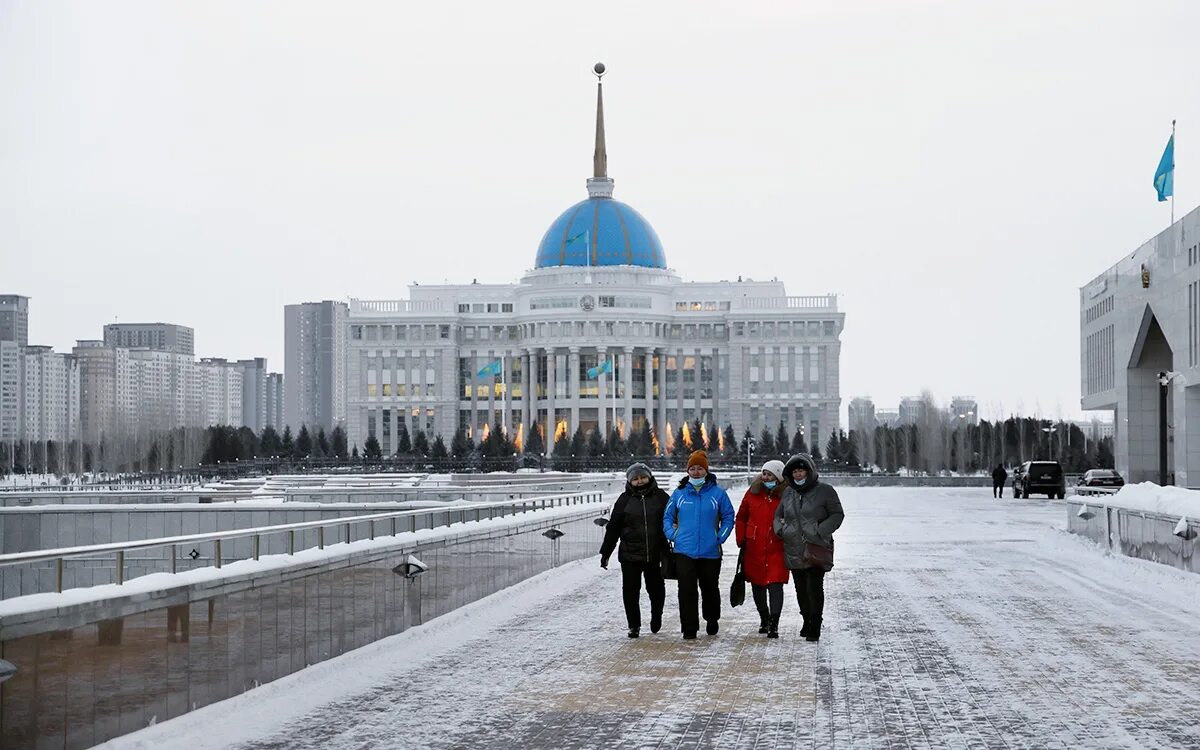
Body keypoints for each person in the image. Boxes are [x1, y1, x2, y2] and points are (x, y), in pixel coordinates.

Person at [663, 450, 735, 640]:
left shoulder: (717, 494)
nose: (696, 472)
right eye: (692, 469)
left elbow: (729, 517)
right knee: (686, 590)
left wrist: (720, 536)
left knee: (710, 588)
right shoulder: (679, 494)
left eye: (700, 468)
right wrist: (673, 534)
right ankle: (689, 627)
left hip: (710, 551)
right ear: (688, 471)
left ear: (706, 470)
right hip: (683, 551)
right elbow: (667, 517)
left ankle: (712, 619)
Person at [773, 453, 844, 642]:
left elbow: (837, 514)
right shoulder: (788, 492)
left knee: (814, 587)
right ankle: (806, 619)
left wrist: (820, 531)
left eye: (801, 470)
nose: (798, 475)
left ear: (809, 471)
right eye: (794, 471)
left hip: (815, 547)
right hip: (793, 547)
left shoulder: (825, 491)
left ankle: (815, 623)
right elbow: (778, 515)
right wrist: (782, 530)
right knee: (801, 589)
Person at [599, 463, 671, 638]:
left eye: (642, 477)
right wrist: (606, 552)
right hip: (630, 554)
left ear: (649, 477)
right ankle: (634, 625)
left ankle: (656, 616)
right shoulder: (624, 500)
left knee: (656, 589)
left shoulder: (661, 497)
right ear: (630, 481)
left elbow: (674, 518)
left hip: (654, 553)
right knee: (631, 591)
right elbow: (613, 528)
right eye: (636, 479)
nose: (640, 481)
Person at [735, 460, 790, 638]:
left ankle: (774, 622)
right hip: (754, 547)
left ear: (779, 477)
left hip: (778, 547)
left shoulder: (787, 495)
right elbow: (741, 516)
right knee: (757, 585)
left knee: (775, 585)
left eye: (770, 474)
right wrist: (741, 537)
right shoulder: (753, 492)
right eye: (764, 473)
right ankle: (764, 618)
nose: (765, 477)